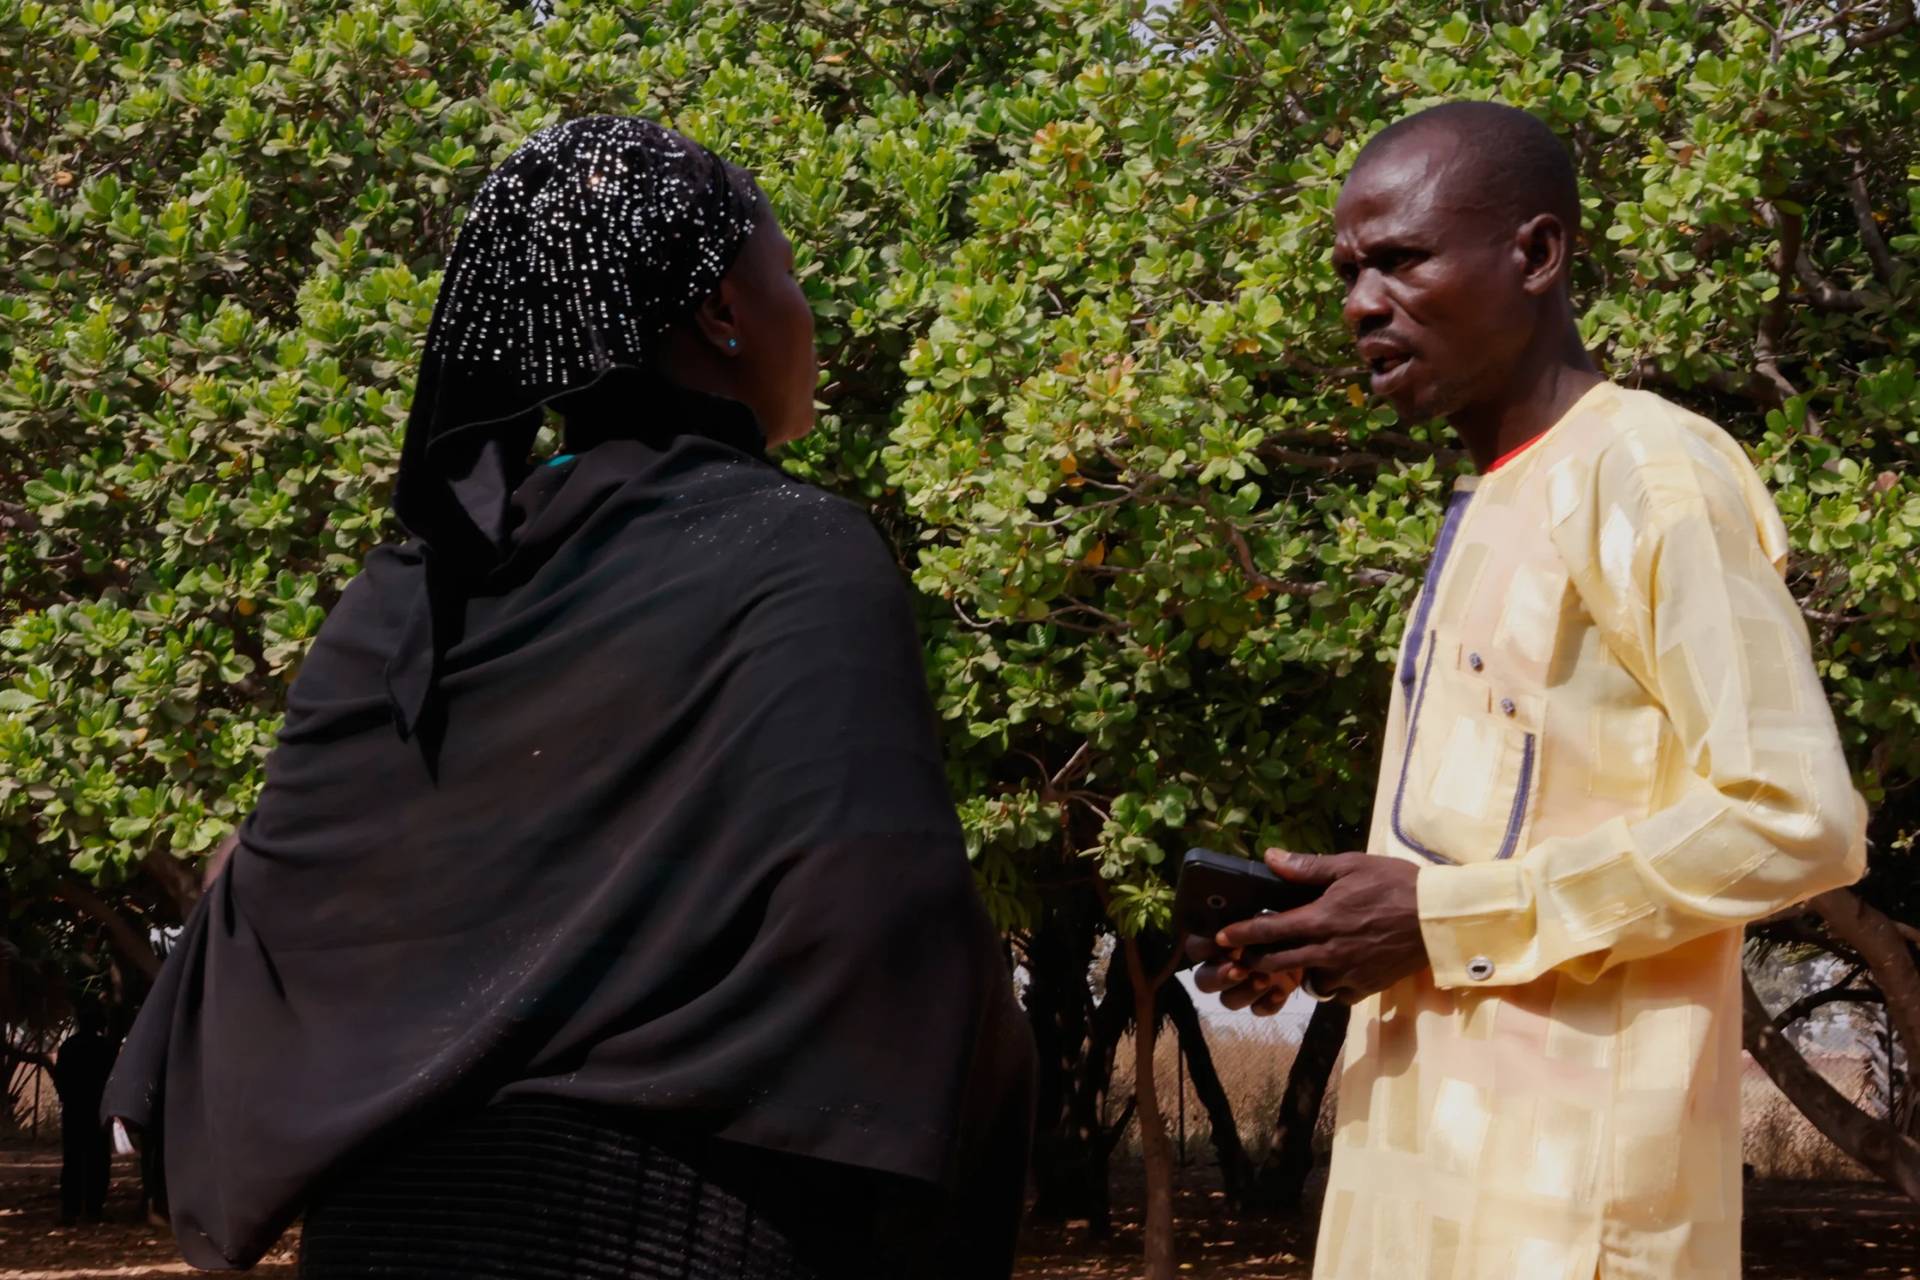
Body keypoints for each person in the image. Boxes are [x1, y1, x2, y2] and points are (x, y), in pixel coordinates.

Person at [104, 116, 1035, 1279]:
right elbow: (884, 927)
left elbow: (271, 911)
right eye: (789, 274)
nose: (808, 311)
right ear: (722, 312)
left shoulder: (406, 596)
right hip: (688, 1229)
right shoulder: (803, 556)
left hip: (381, 1235)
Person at [1193, 101, 1867, 1278]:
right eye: (1349, 270)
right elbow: (1461, 880)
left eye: (1401, 258)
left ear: (1537, 254)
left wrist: (1443, 917)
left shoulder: (1651, 471)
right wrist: (1335, 934)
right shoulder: (1500, 494)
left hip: (1569, 1217)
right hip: (1414, 1194)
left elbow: (1795, 817)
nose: (1362, 301)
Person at [53, 1008, 115, 1224]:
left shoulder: (69, 1047)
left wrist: (67, 1097)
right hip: (97, 1111)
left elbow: (59, 1078)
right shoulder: (106, 1048)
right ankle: (94, 1209)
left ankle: (70, 1210)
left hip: (74, 1110)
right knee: (98, 1160)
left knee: (72, 1160)